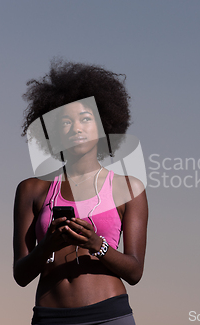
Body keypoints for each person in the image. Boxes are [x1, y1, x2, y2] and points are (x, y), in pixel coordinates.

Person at [13, 60, 148, 325]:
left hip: (110, 315)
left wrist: (96, 244)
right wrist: (48, 247)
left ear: (102, 125)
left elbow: (135, 271)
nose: (76, 128)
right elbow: (21, 274)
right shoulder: (32, 189)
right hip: (49, 317)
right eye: (65, 122)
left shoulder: (129, 188)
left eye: (86, 119)